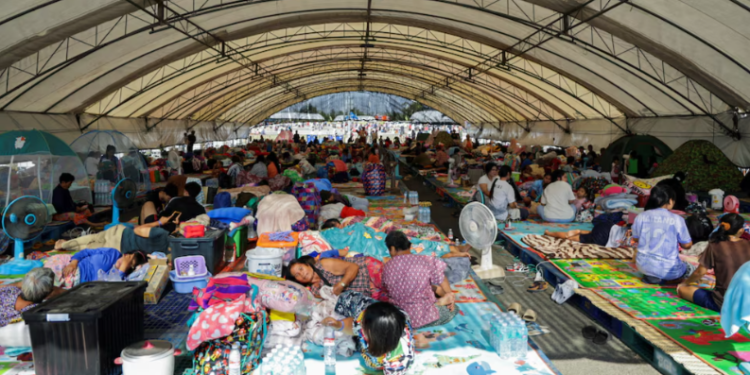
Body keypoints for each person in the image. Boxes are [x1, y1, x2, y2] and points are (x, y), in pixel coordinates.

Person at [320, 293, 415, 374]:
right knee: (345, 298)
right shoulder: (365, 319)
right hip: (383, 312)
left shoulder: (399, 359)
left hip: (390, 323)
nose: (360, 324)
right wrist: (338, 324)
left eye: (363, 326)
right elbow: (354, 325)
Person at [382, 231, 457, 329]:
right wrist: (449, 294)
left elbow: (385, 287)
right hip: (424, 315)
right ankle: (438, 304)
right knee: (453, 310)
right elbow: (441, 278)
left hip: (399, 316)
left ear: (392, 249)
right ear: (410, 246)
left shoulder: (387, 267)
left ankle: (436, 303)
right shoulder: (426, 260)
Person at [677, 214, 750, 312]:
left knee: (682, 290)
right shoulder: (747, 244)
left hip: (723, 303)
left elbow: (700, 272)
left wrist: (685, 283)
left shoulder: (715, 245)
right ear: (741, 231)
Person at [632, 185, 693, 284]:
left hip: (643, 266)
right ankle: (670, 278)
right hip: (668, 269)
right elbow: (687, 245)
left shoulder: (641, 216)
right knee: (689, 267)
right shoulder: (677, 219)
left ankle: (653, 276)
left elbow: (636, 239)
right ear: (670, 201)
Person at [286, 255, 383, 299]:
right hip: (368, 291)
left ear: (307, 264)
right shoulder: (315, 291)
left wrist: (341, 284)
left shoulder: (323, 265)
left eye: (301, 268)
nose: (301, 274)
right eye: (297, 275)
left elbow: (353, 267)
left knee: (394, 285)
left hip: (368, 269)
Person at [46, 248, 147, 288]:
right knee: (48, 272)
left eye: (129, 264)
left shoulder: (120, 277)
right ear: (125, 254)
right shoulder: (113, 253)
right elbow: (86, 252)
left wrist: (123, 267)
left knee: (48, 286)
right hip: (72, 265)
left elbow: (109, 287)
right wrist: (73, 263)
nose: (125, 262)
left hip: (76, 282)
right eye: (127, 257)